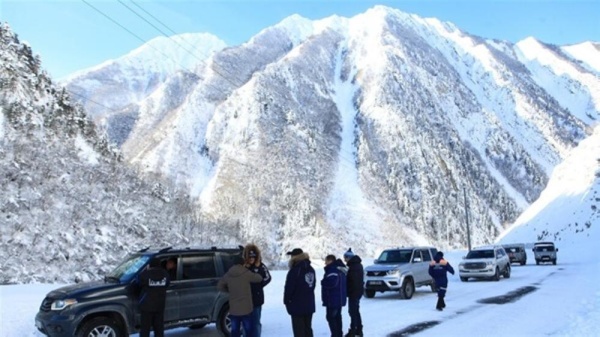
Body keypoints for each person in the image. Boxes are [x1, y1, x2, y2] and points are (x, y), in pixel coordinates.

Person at [218, 255, 263, 337]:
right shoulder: (246, 273)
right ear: (243, 264)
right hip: (246, 309)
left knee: (235, 331)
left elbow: (220, 286)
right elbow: (259, 278)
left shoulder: (228, 274)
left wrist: (229, 290)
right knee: (248, 330)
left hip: (234, 309)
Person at [283, 248, 316, 337]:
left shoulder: (295, 270)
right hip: (309, 303)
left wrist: (286, 301)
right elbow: (312, 285)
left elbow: (289, 288)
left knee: (299, 331)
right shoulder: (311, 269)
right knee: (308, 328)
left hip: (297, 305)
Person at [243, 244, 272, 337]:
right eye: (250, 257)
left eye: (253, 257)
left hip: (256, 300)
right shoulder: (242, 267)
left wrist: (259, 285)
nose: (251, 259)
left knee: (255, 323)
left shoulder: (261, 266)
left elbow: (268, 277)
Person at [138, 259, 170, 337]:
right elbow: (167, 284)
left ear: (150, 265)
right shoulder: (165, 274)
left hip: (147, 306)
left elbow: (138, 282)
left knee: (145, 329)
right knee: (159, 328)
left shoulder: (145, 274)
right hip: (160, 305)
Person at [321, 254, 347, 337]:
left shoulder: (332, 270)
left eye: (326, 260)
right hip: (338, 298)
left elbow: (332, 283)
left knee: (331, 317)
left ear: (330, 260)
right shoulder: (339, 269)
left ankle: (335, 334)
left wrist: (323, 282)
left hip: (333, 299)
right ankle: (339, 334)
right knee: (337, 317)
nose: (325, 263)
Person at [343, 248, 364, 337]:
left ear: (349, 257)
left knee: (353, 312)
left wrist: (349, 291)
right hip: (357, 292)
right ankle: (358, 329)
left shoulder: (353, 267)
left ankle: (353, 330)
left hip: (354, 293)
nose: (344, 259)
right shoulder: (357, 265)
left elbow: (353, 282)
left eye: (345, 257)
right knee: (356, 311)